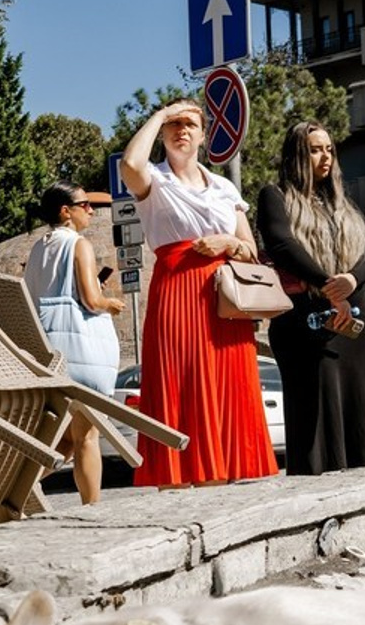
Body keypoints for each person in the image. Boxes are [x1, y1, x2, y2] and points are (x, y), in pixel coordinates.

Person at [119, 99, 277, 487]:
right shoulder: (155, 180)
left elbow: (250, 250)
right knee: (178, 383)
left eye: (190, 123)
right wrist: (158, 115)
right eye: (174, 124)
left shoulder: (224, 187)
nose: (181, 129)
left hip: (224, 297)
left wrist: (227, 242)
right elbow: (130, 166)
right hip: (176, 292)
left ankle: (220, 477)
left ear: (204, 135)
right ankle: (176, 480)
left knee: (227, 387)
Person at [257, 121, 365, 474]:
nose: (325, 156)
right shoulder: (274, 195)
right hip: (305, 322)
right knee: (315, 414)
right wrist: (329, 287)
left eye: (329, 149)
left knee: (357, 410)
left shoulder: (343, 203)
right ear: (297, 154)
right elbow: (282, 245)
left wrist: (349, 281)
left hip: (352, 320)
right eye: (314, 149)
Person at [22, 182, 124, 504]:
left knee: (65, 443)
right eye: (86, 204)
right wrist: (111, 303)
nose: (92, 210)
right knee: (87, 437)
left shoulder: (38, 248)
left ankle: (6, 490)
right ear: (66, 211)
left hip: (48, 353)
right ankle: (93, 510)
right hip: (81, 358)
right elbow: (91, 300)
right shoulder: (79, 245)